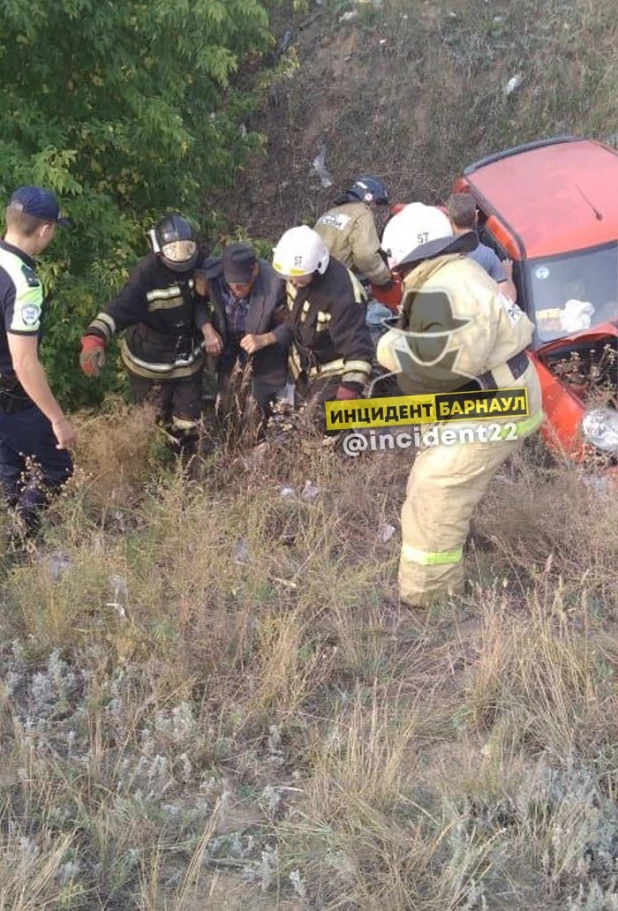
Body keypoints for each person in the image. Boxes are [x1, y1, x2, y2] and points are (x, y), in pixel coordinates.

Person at [376, 202, 544, 608]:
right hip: (490, 393)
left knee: (437, 488)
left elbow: (448, 366)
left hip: (497, 401)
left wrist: (390, 347)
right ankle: (452, 556)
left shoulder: (448, 286)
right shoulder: (452, 273)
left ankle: (430, 598)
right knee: (431, 477)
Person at [79, 213, 209, 460]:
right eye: (175, 251)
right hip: (150, 359)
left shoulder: (199, 260)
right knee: (153, 417)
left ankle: (186, 465)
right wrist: (95, 337)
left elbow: (224, 267)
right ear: (159, 249)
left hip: (188, 356)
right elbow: (119, 307)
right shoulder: (146, 274)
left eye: (188, 249)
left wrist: (209, 278)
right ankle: (155, 466)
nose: (182, 256)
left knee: (189, 418)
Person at [0, 186, 76, 543]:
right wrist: (57, 419)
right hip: (11, 397)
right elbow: (24, 362)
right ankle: (19, 541)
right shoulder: (24, 282)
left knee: (9, 472)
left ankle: (13, 544)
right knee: (55, 466)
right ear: (45, 229)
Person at [271, 225, 374, 430]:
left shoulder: (342, 296)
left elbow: (358, 353)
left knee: (318, 427)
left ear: (317, 267)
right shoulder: (297, 273)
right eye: (288, 276)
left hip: (333, 369)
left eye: (297, 277)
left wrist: (348, 393)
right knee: (298, 421)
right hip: (303, 364)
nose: (292, 281)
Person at [194, 242, 290, 441]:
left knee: (258, 412)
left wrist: (265, 339)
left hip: (264, 354)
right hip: (226, 347)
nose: (237, 289)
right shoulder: (212, 273)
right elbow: (197, 302)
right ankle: (229, 446)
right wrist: (207, 328)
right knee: (227, 409)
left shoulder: (275, 283)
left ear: (254, 271)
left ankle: (257, 449)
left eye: (242, 284)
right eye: (232, 284)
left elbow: (293, 324)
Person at [314, 176, 397, 344]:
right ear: (368, 198)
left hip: (313, 279)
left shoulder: (331, 213)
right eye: (376, 203)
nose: (375, 208)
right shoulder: (361, 213)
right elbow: (365, 256)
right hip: (334, 282)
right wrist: (384, 280)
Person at [446, 193, 518, 302]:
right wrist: (507, 273)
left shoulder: (439, 252)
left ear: (449, 219)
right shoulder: (487, 255)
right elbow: (509, 299)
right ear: (476, 217)